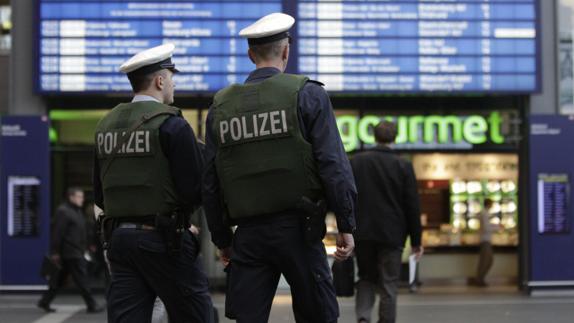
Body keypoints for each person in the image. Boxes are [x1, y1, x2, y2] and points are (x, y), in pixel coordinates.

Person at [202, 12, 357, 323]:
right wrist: (346, 224)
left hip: (248, 234)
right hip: (300, 229)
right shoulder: (307, 94)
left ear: (250, 54)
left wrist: (223, 239)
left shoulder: (220, 106)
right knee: (318, 316)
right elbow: (333, 165)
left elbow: (211, 181)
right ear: (286, 51)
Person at [92, 43, 213, 323]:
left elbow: (99, 195)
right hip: (164, 240)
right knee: (195, 315)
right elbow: (193, 189)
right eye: (171, 77)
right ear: (160, 81)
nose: (173, 84)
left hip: (119, 242)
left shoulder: (105, 125)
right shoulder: (172, 124)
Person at [350, 121, 423, 323]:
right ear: (395, 137)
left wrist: (346, 228)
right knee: (389, 283)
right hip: (392, 235)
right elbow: (412, 206)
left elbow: (347, 197)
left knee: (365, 277)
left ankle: (363, 318)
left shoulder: (357, 162)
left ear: (374, 137)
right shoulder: (403, 165)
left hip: (362, 233)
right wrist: (416, 241)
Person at [37, 187, 104, 313]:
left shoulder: (77, 211)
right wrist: (55, 252)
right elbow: (57, 233)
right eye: (79, 196)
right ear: (71, 197)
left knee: (59, 279)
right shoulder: (63, 211)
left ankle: (44, 301)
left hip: (75, 251)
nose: (82, 199)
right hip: (70, 252)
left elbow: (81, 231)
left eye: (82, 197)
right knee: (82, 279)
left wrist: (88, 245)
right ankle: (92, 305)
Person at [470, 198, 496, 287]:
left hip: (486, 240)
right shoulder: (484, 214)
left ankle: (479, 278)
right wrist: (496, 227)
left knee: (485, 261)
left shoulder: (485, 214)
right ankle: (479, 279)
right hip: (485, 240)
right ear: (489, 204)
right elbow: (486, 228)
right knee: (487, 260)